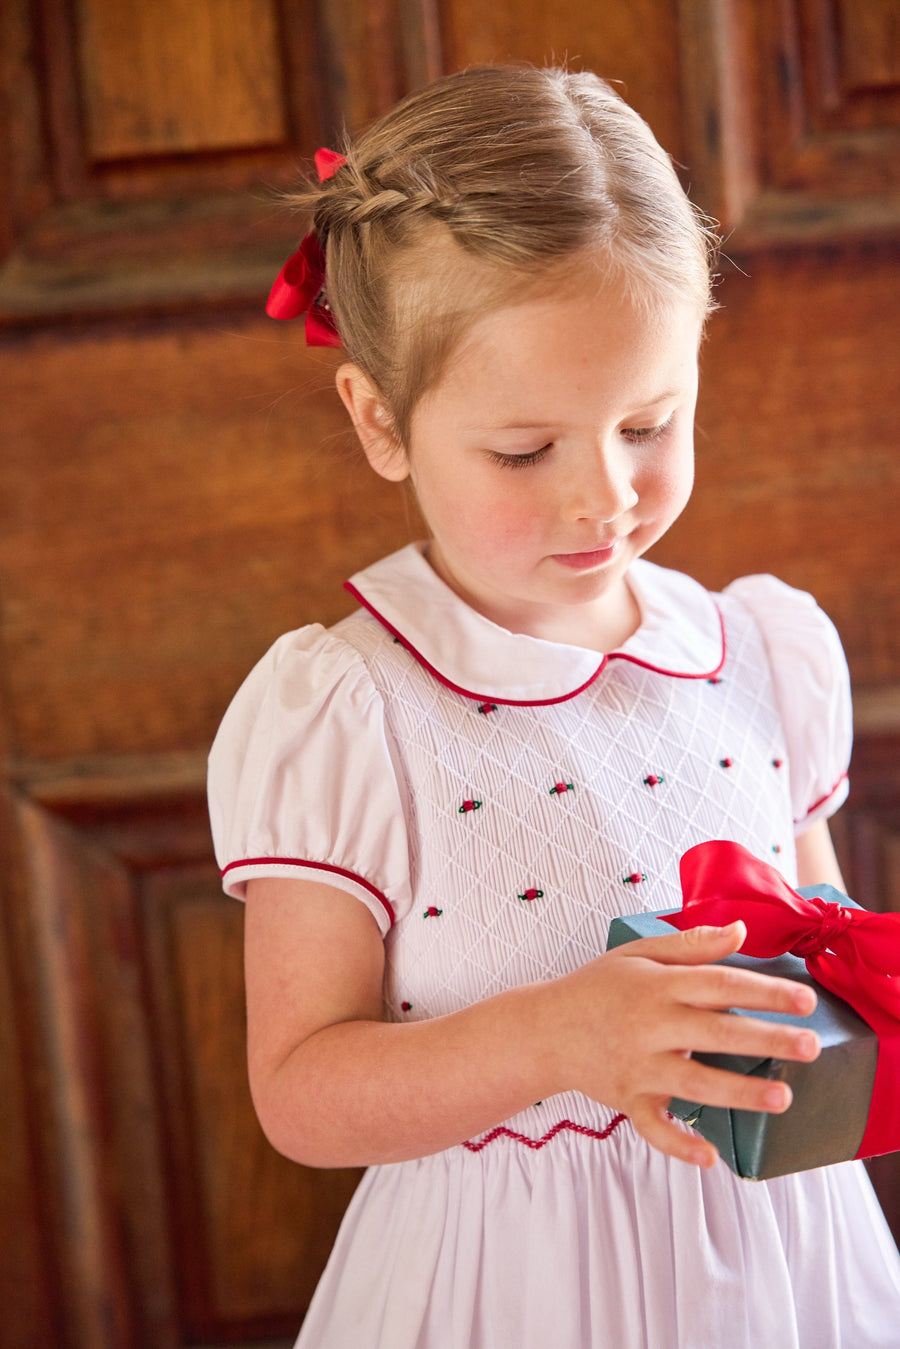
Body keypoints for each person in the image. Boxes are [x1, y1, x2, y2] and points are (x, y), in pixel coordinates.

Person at [208, 65, 900, 1348]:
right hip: (509, 1286)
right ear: (382, 420)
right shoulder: (350, 710)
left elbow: (820, 952)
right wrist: (560, 1033)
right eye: (526, 451)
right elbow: (300, 1092)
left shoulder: (759, 652)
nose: (607, 497)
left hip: (780, 1263)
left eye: (651, 421)